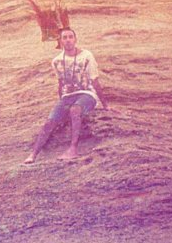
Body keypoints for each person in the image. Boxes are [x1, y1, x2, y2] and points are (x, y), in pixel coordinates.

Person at [24, 28, 115, 163]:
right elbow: (60, 84)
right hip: (67, 96)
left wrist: (105, 105)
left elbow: (95, 80)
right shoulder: (57, 61)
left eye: (70, 37)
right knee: (50, 122)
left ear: (75, 39)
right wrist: (60, 105)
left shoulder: (87, 56)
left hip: (87, 94)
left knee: (75, 109)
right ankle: (33, 154)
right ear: (60, 41)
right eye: (64, 38)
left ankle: (73, 149)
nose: (68, 40)